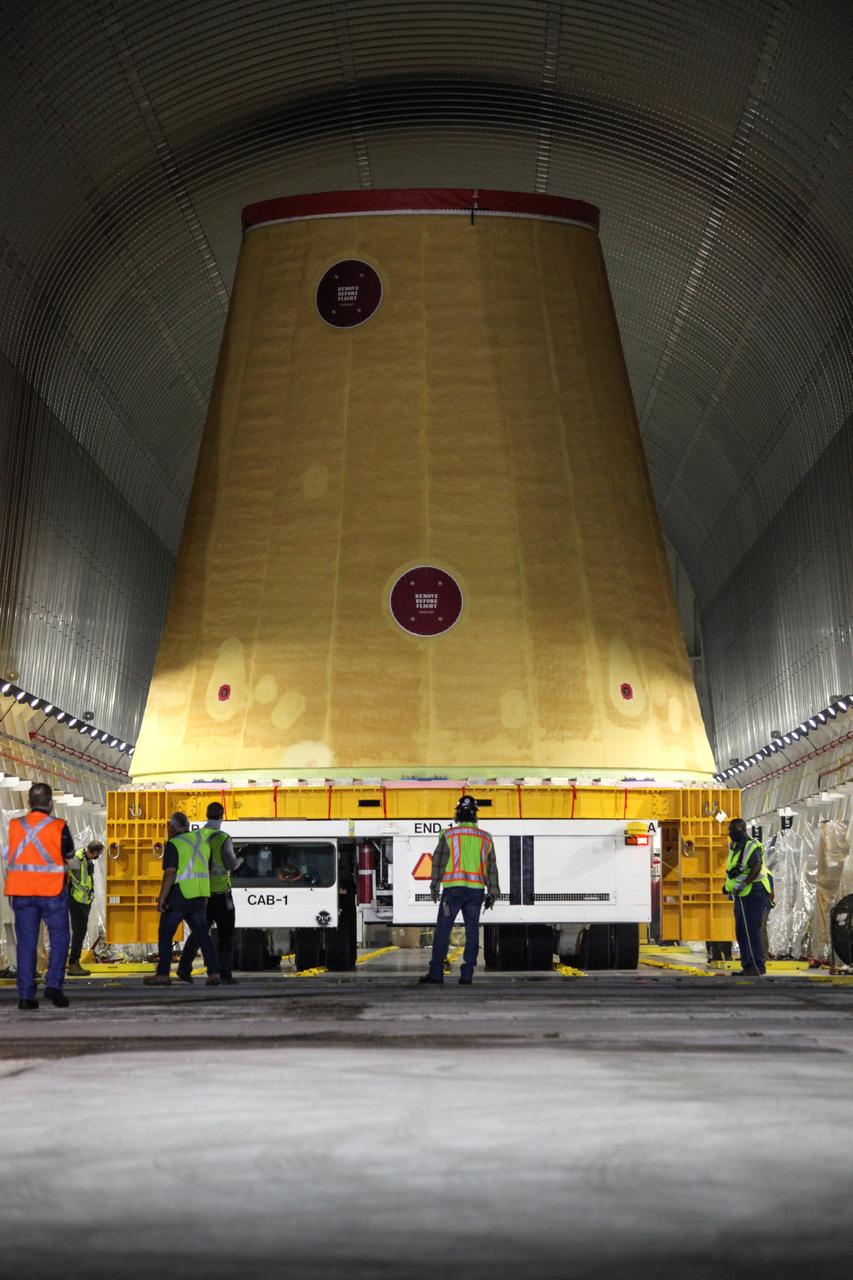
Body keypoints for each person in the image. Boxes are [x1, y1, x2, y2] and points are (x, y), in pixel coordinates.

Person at [3, 782, 75, 1009]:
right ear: (51, 804)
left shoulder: (15, 826)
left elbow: (10, 854)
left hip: (21, 893)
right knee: (60, 938)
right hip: (51, 892)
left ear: (28, 803)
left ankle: (25, 996)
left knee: (26, 943)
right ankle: (53, 984)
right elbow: (70, 855)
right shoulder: (59, 826)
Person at [418, 795, 500, 986]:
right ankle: (467, 975)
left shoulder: (450, 835)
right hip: (475, 893)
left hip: (452, 891)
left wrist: (434, 886)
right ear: (475, 816)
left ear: (457, 815)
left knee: (443, 931)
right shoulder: (485, 838)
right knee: (472, 932)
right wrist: (493, 892)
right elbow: (492, 868)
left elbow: (438, 862)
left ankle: (436, 974)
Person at [143, 811, 220, 986]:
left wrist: (162, 898)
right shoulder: (202, 843)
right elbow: (208, 871)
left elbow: (170, 873)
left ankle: (163, 974)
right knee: (202, 936)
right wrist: (205, 895)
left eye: (169, 827)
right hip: (199, 896)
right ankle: (214, 973)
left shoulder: (174, 844)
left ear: (173, 827)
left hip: (179, 896)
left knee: (165, 934)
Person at [176, 802, 241, 984]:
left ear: (206, 813)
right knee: (226, 935)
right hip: (220, 894)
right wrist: (241, 859)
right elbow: (230, 864)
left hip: (199, 893)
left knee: (198, 933)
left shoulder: (195, 836)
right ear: (222, 815)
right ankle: (225, 974)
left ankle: (184, 968)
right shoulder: (222, 837)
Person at [725, 818, 773, 976]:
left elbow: (756, 866)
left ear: (742, 829)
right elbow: (735, 870)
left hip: (754, 892)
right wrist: (728, 887)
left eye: (732, 830)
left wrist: (744, 883)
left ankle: (758, 966)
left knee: (752, 930)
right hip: (741, 894)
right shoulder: (735, 847)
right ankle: (747, 966)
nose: (730, 834)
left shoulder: (751, 845)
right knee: (741, 931)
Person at [66, 840, 104, 976]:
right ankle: (73, 964)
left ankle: (74, 963)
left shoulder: (86, 861)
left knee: (80, 933)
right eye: (98, 854)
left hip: (83, 901)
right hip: (76, 901)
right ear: (94, 852)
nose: (97, 857)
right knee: (79, 933)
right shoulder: (76, 859)